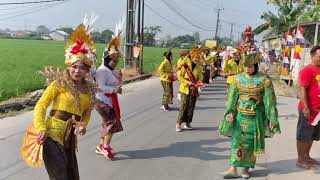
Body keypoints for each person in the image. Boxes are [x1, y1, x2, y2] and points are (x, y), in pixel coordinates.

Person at [32, 23, 97, 180]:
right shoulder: (59, 84)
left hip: (69, 138)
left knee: (71, 174)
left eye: (82, 68)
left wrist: (83, 126)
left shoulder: (89, 90)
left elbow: (87, 112)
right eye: (74, 67)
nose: (77, 71)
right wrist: (40, 127)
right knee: (60, 175)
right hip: (51, 135)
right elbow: (41, 105)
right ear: (68, 67)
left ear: (87, 70)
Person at [218, 52, 281, 179]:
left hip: (256, 117)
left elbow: (269, 101)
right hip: (240, 116)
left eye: (250, 66)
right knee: (236, 141)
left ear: (256, 66)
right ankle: (233, 168)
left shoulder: (264, 80)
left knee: (251, 143)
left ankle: (246, 169)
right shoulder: (238, 78)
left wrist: (271, 119)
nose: (247, 69)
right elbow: (231, 98)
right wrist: (229, 112)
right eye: (245, 66)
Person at [95, 31, 124, 159]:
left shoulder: (111, 70)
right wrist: (114, 90)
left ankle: (101, 146)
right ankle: (106, 147)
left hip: (108, 100)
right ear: (107, 59)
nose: (115, 62)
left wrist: (119, 78)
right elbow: (100, 87)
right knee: (112, 123)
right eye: (113, 60)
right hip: (102, 101)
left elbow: (115, 84)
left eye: (117, 60)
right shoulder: (102, 71)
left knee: (107, 124)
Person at [296, 46, 320, 169]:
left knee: (312, 135)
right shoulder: (307, 70)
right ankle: (300, 159)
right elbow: (303, 90)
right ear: (312, 56)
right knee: (303, 135)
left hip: (318, 111)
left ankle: (307, 156)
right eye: (319, 56)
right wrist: (306, 107)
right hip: (308, 110)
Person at [176, 47, 203, 132]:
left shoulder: (198, 68)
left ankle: (187, 123)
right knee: (184, 106)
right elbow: (179, 76)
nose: (196, 59)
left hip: (194, 90)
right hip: (185, 89)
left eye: (198, 58)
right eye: (195, 57)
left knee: (191, 107)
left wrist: (199, 83)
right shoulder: (186, 66)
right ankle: (178, 123)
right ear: (191, 57)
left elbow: (200, 78)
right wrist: (187, 82)